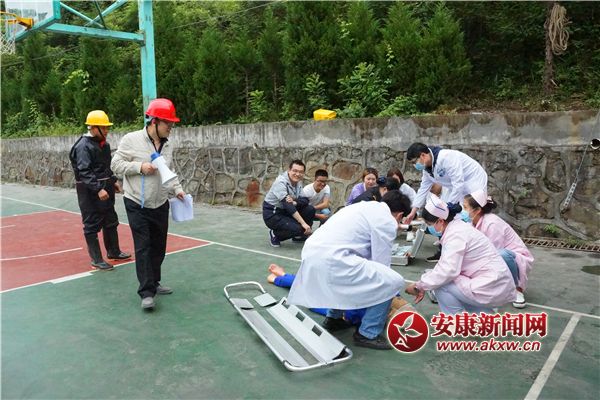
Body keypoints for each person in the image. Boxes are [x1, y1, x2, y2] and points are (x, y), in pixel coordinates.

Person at [288, 190, 412, 350]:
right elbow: (382, 265)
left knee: (345, 280)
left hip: (312, 253)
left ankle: (333, 319)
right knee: (393, 281)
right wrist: (393, 294)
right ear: (400, 215)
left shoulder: (364, 207)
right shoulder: (387, 221)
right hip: (333, 259)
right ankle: (367, 333)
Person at [111, 98, 186, 310]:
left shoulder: (168, 145)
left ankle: (154, 281)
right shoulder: (131, 140)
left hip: (160, 202)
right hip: (137, 202)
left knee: (159, 246)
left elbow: (168, 171)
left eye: (172, 124)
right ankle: (146, 292)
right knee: (143, 246)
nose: (171, 128)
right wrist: (139, 167)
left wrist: (178, 190)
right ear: (154, 121)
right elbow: (115, 164)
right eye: (168, 123)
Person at [404, 195, 515, 315]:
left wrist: (419, 286)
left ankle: (457, 320)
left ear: (440, 221)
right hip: (491, 282)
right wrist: (424, 283)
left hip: (490, 285)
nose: (428, 227)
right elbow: (445, 266)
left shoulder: (455, 235)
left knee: (441, 284)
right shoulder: (457, 228)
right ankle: (485, 317)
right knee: (440, 279)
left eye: (429, 224)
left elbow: (448, 271)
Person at [404, 142, 488, 262]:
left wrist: (450, 207)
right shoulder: (427, 169)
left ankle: (475, 251)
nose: (415, 165)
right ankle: (449, 250)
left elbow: (458, 182)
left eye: (414, 162)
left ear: (423, 155)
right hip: (455, 187)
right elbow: (423, 189)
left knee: (471, 214)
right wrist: (413, 211)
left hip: (473, 181)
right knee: (452, 217)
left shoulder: (446, 157)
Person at [69, 110, 131, 271]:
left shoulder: (104, 144)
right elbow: (85, 171)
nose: (106, 130)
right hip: (89, 192)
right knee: (91, 224)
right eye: (103, 128)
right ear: (93, 128)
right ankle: (96, 259)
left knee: (111, 220)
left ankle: (114, 251)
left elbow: (106, 167)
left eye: (107, 127)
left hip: (105, 188)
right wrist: (98, 189)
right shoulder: (83, 146)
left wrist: (113, 180)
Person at [463, 190, 534, 309]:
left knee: (501, 254)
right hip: (497, 257)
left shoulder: (492, 223)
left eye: (465, 207)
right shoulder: (473, 222)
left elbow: (492, 254)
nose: (462, 210)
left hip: (514, 258)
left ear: (477, 210)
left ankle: (516, 290)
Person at [263, 160, 315, 247]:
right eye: (295, 171)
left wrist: (295, 202)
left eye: (301, 172)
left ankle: (298, 236)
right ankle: (275, 234)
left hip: (285, 211)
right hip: (273, 214)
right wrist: (304, 224)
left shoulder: (298, 182)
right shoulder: (280, 182)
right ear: (289, 170)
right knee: (299, 228)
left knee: (310, 209)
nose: (297, 174)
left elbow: (305, 200)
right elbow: (288, 206)